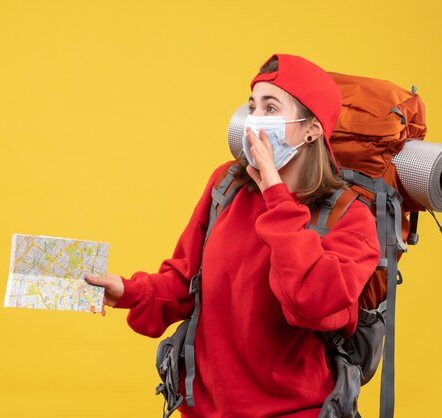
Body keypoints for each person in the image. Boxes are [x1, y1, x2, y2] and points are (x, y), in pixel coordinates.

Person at [86, 54, 381, 418]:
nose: (256, 120)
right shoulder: (226, 186)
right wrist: (129, 291)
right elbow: (184, 282)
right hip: (206, 410)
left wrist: (276, 193)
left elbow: (311, 302)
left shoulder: (351, 218)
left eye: (271, 108)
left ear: (312, 129)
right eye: (252, 106)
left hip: (295, 411)